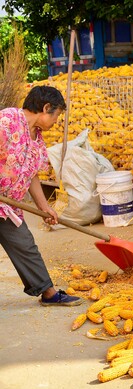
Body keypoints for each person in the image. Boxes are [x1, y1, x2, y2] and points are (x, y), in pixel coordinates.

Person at [0, 86, 82, 306]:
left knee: (25, 245)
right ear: (46, 108)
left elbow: (31, 175)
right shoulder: (7, 121)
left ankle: (48, 293)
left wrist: (44, 206)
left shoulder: (37, 139)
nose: (57, 121)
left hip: (8, 206)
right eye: (57, 114)